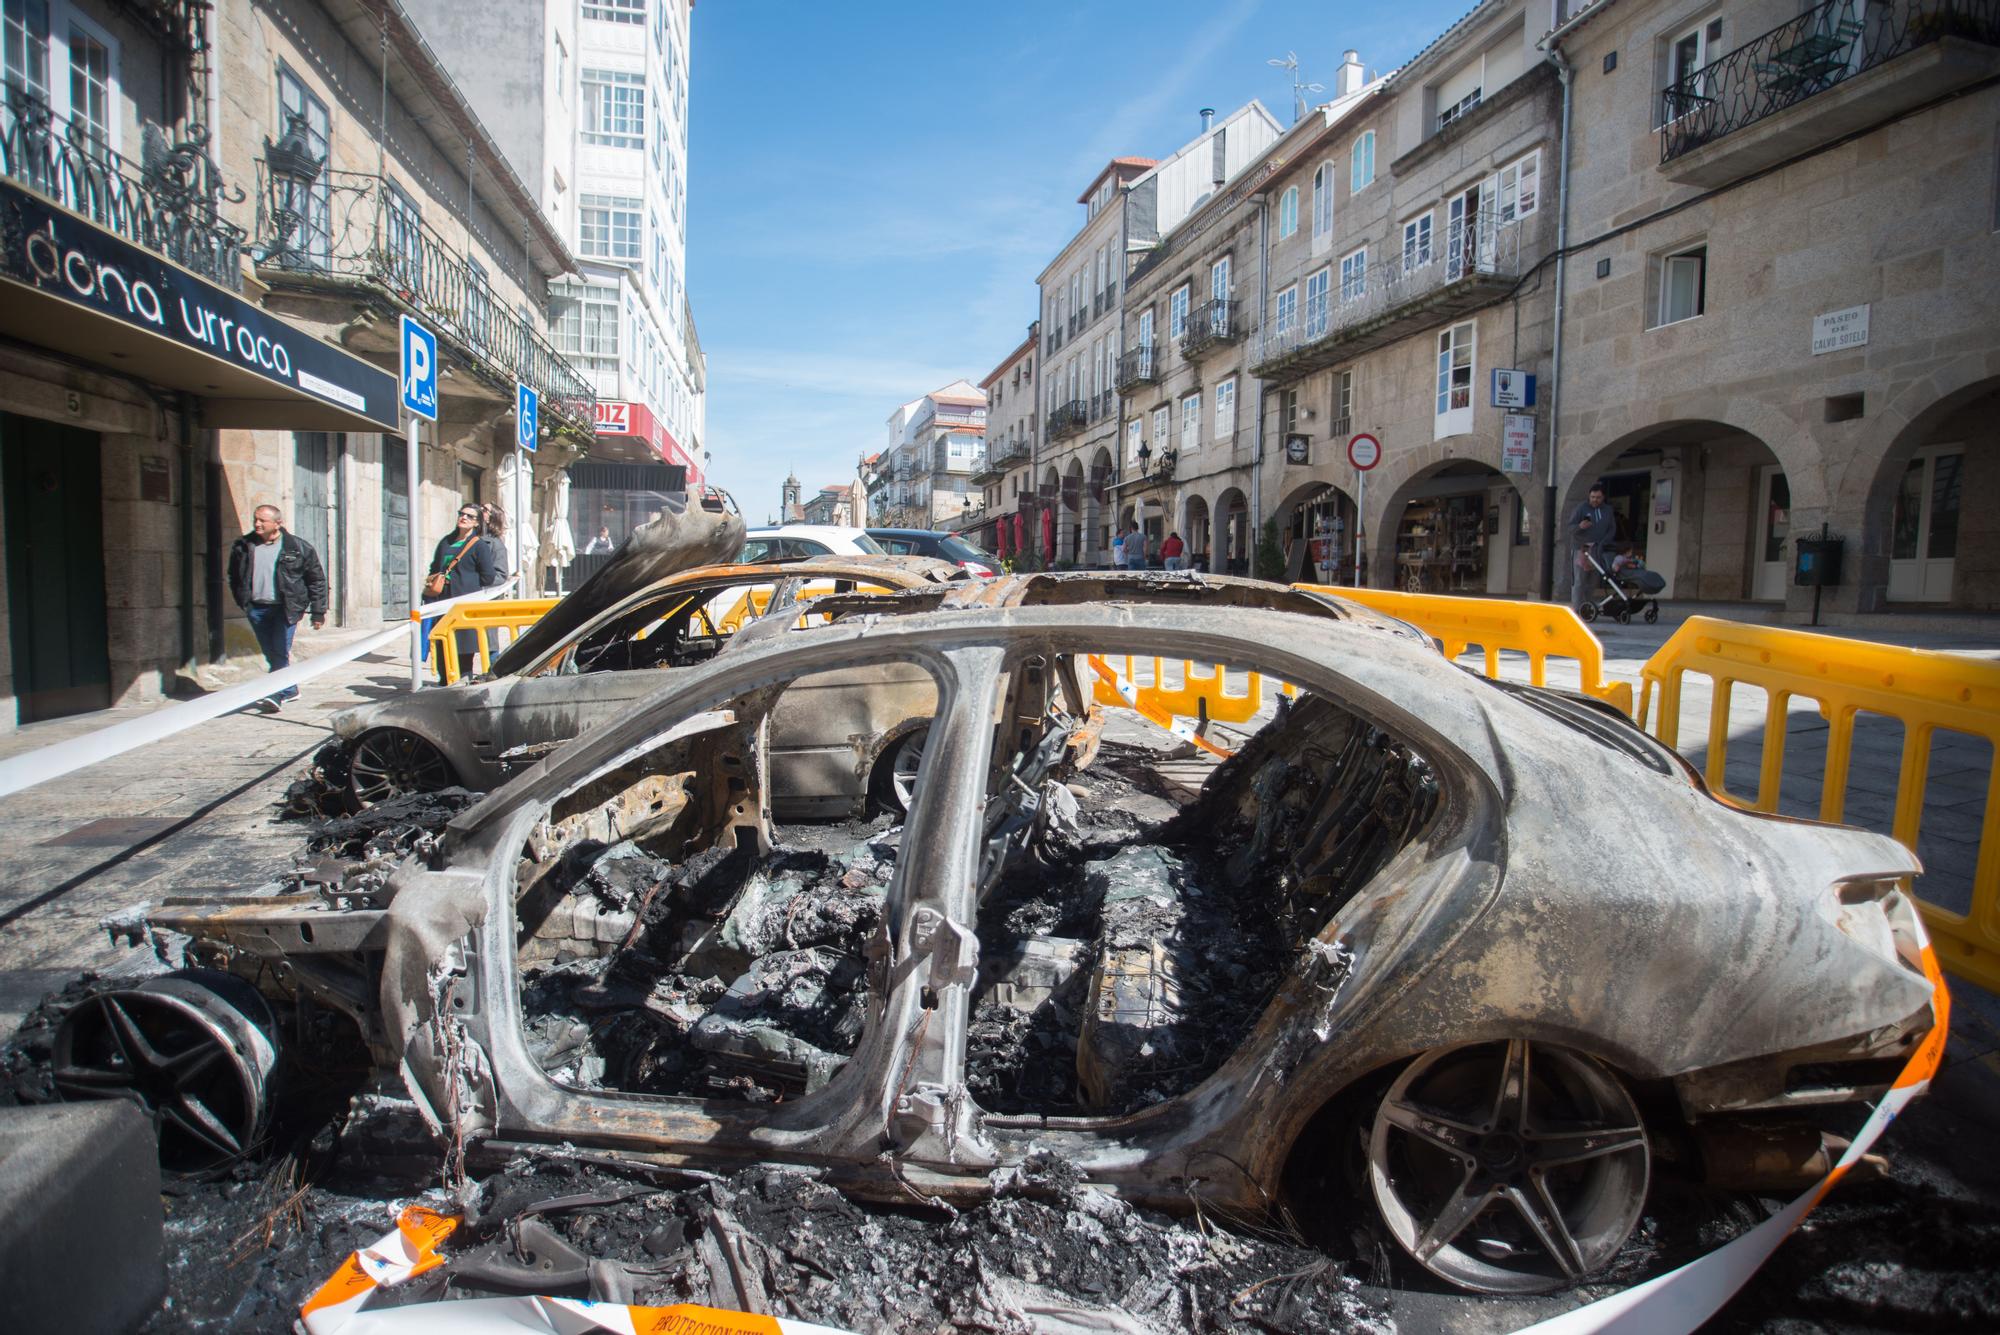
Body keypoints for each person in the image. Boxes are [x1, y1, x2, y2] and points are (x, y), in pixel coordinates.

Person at [227, 504, 327, 712]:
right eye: (256, 519)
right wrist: (243, 601)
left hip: (285, 608)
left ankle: (275, 694)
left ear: (277, 523)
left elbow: (316, 580)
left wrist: (318, 611)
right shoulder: (244, 546)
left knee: (280, 650)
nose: (257, 524)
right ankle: (290, 689)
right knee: (269, 651)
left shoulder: (298, 547)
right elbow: (234, 576)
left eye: (262, 520)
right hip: (257, 609)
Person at [428, 502, 498, 681]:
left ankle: (463, 683)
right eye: (462, 514)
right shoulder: (446, 542)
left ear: (477, 523)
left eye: (470, 516)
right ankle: (445, 683)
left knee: (463, 650)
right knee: (443, 645)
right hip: (443, 602)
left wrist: (467, 584)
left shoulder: (479, 546)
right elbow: (435, 567)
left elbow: (488, 577)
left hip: (465, 604)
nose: (464, 518)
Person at [1567, 481, 1616, 612]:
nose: (1595, 500)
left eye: (1598, 497)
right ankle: (1577, 610)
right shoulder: (1581, 508)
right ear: (1589, 496)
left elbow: (1612, 529)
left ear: (1603, 497)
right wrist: (1579, 527)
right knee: (1580, 581)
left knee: (1593, 581)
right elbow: (1570, 528)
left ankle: (1587, 608)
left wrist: (1603, 542)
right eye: (1592, 497)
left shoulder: (1608, 510)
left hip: (1598, 549)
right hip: (1581, 549)